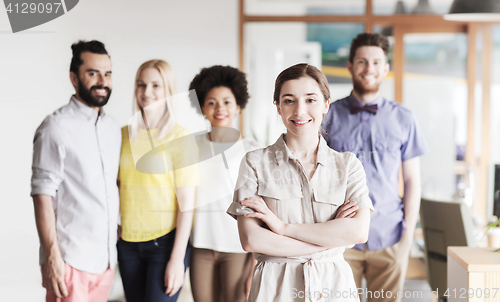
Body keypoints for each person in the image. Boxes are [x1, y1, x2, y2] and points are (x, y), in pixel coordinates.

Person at [227, 63, 374, 302]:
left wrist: (282, 228)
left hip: (333, 288)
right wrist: (329, 241)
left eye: (310, 100)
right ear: (277, 106)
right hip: (275, 288)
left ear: (326, 104)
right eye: (289, 100)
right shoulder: (254, 162)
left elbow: (358, 231)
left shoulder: (348, 166)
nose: (299, 111)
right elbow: (252, 240)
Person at [322, 33, 429, 302]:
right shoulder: (328, 116)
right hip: (339, 237)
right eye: (362, 61)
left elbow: (413, 180)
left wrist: (407, 237)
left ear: (385, 69)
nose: (369, 68)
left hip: (389, 235)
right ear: (350, 66)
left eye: (375, 62)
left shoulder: (404, 118)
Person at [31, 40, 120, 302]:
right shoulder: (55, 128)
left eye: (108, 73)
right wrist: (51, 256)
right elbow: (42, 194)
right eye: (93, 73)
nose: (102, 81)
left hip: (105, 261)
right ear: (74, 77)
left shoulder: (113, 128)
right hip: (70, 260)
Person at [117, 59, 198, 302]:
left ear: (168, 91)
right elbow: (117, 185)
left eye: (155, 85)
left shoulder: (181, 137)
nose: (147, 92)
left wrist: (176, 258)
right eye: (141, 85)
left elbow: (187, 203)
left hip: (164, 245)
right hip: (128, 245)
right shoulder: (121, 135)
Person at [188, 65, 259, 302]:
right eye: (212, 102)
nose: (220, 109)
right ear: (202, 108)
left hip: (237, 248)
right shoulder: (190, 146)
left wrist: (254, 264)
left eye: (227, 102)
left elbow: (259, 209)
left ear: (238, 106)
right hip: (200, 246)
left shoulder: (252, 150)